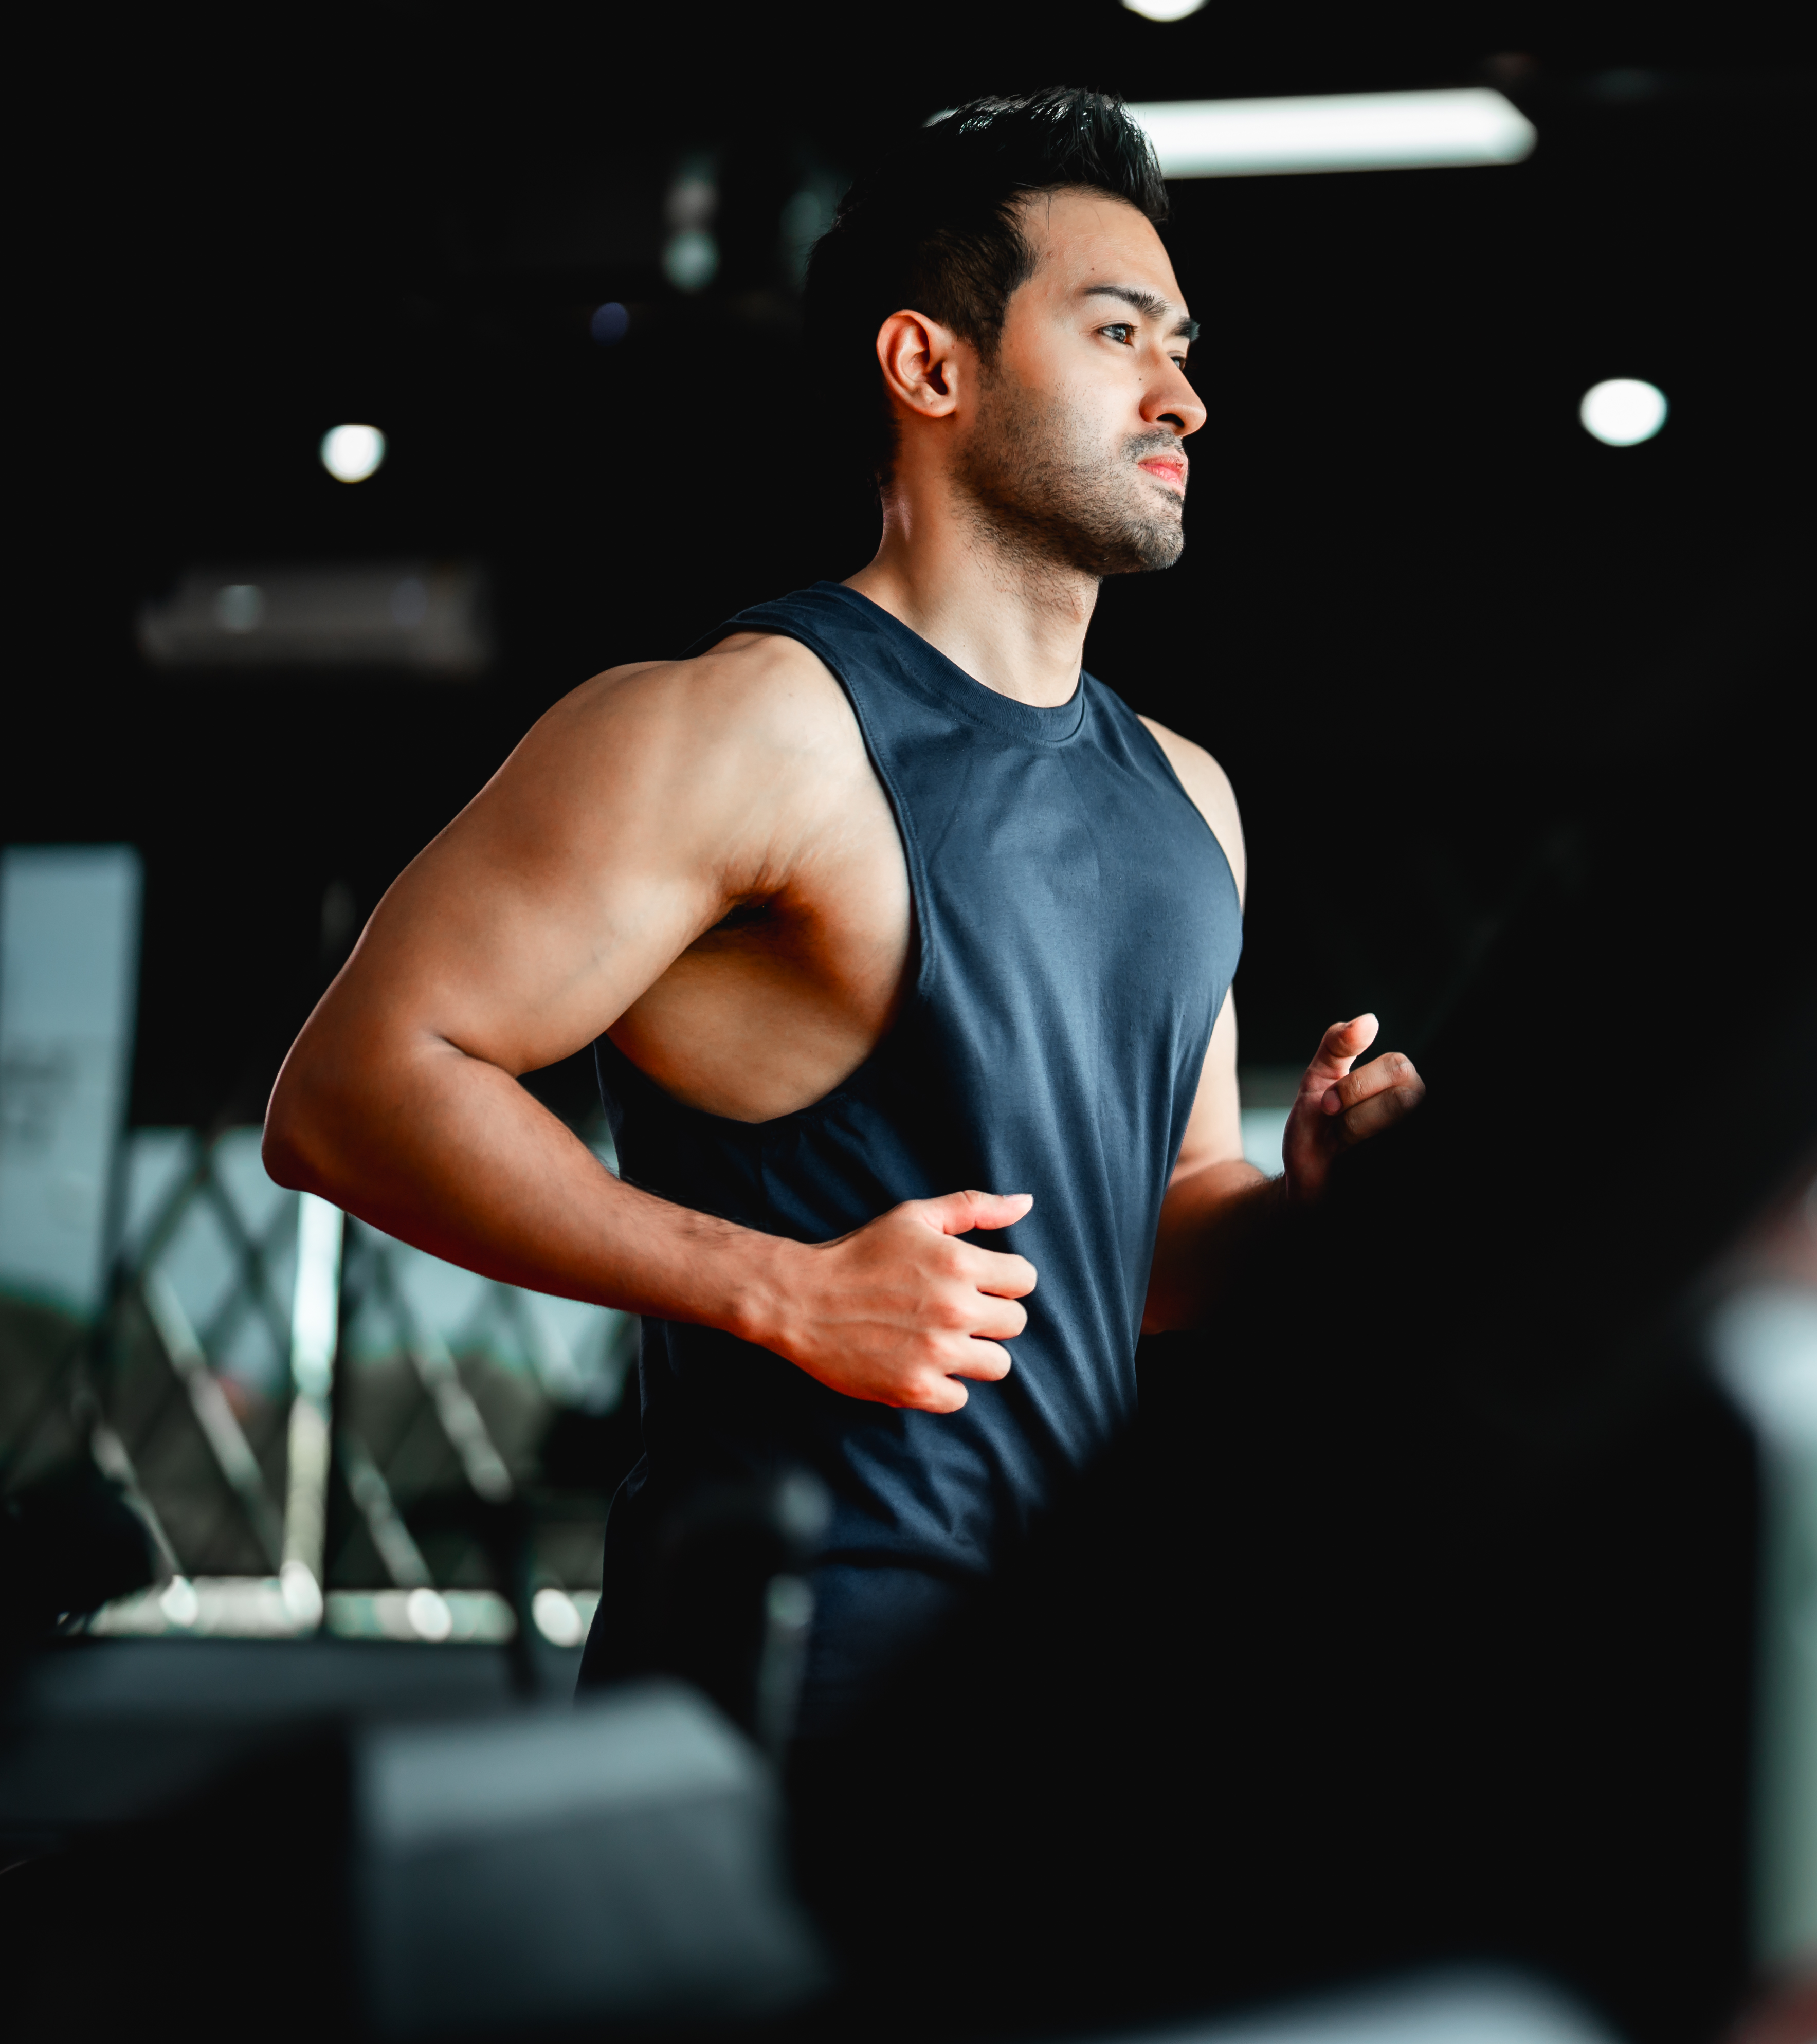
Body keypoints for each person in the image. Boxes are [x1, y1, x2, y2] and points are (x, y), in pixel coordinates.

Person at [262, 88, 1421, 1728]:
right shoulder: (749, 726)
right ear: (928, 366)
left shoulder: (1189, 798)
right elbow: (351, 1093)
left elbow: (1148, 1237)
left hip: (1064, 1683)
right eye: (1118, 334)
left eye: (1182, 344)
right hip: (790, 1690)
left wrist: (1313, 1215)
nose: (1184, 398)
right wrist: (779, 1290)